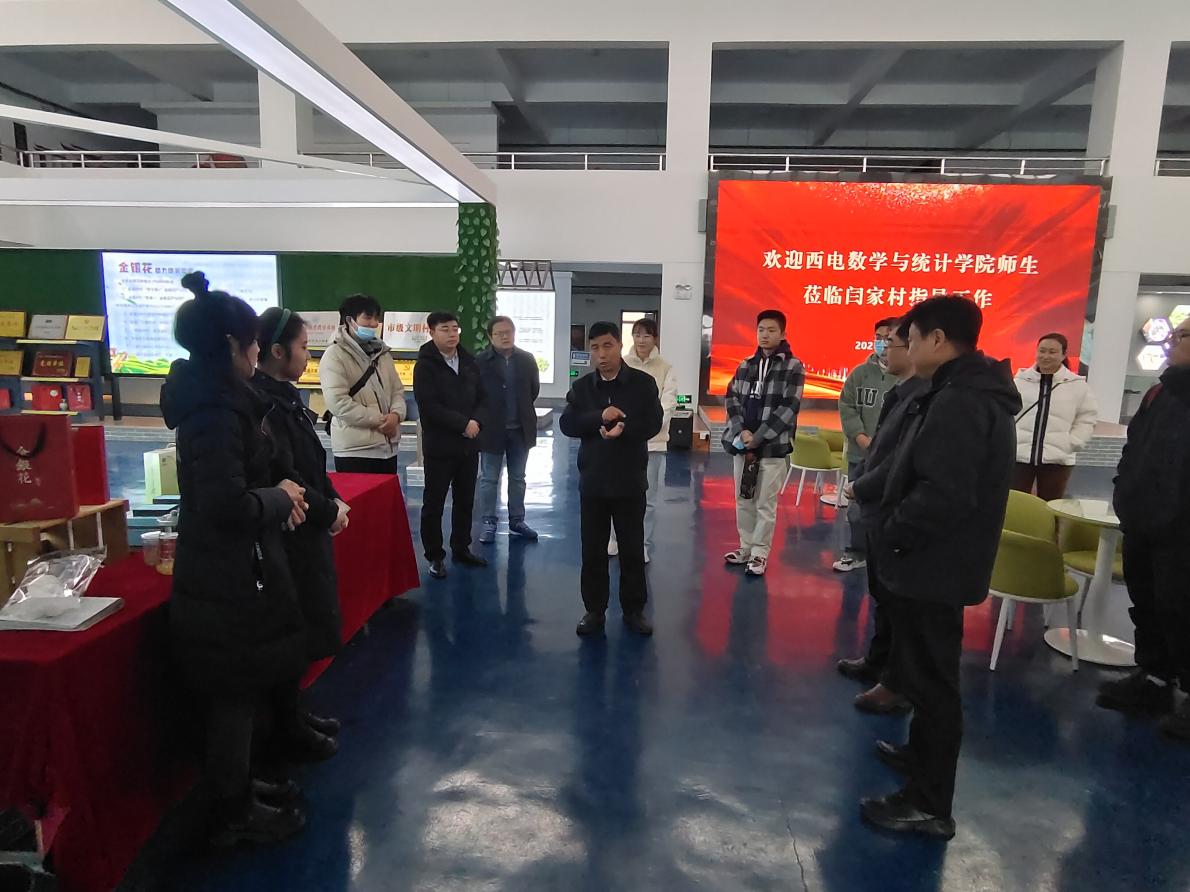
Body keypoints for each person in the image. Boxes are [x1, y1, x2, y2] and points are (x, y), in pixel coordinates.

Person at [860, 295, 1020, 840]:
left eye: (909, 338)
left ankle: (929, 805)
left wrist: (892, 534)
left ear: (936, 339)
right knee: (923, 674)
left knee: (934, 684)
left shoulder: (961, 402)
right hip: (933, 563)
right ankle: (920, 758)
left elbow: (943, 494)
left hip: (934, 565)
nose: (903, 349)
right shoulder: (957, 391)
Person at [161, 272, 310, 846]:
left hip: (236, 567)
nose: (257, 351)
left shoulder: (224, 401)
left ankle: (241, 784)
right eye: (251, 342)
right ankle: (231, 808)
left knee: (241, 690)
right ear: (231, 345)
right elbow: (225, 503)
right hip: (223, 576)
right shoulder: (214, 413)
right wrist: (279, 498)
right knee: (231, 693)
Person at [253, 307, 350, 743]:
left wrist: (332, 499)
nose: (308, 356)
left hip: (306, 525)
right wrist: (327, 510)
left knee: (308, 621)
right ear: (276, 351)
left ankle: (295, 712)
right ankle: (285, 726)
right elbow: (285, 473)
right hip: (288, 531)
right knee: (291, 628)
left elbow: (310, 462)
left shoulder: (287, 399)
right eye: (303, 347)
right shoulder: (264, 406)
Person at [1097, 318, 1190, 742]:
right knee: (1148, 603)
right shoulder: (1158, 393)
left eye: (1181, 336)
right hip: (1143, 521)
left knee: (1181, 609)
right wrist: (1125, 490)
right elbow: (1133, 447)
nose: (1172, 343)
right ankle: (1154, 679)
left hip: (1182, 530)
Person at [836, 321, 925, 716]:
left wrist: (862, 486)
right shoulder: (900, 391)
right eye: (882, 342)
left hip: (897, 511)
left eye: (892, 343)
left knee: (901, 604)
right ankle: (878, 663)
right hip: (880, 507)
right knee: (883, 597)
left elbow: (901, 459)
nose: (884, 349)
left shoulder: (926, 397)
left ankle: (897, 682)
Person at [560, 321, 662, 638]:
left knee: (631, 550)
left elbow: (654, 422)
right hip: (593, 481)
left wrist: (624, 429)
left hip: (629, 480)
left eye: (607, 346)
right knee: (593, 551)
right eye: (595, 348)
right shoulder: (582, 388)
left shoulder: (643, 384)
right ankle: (594, 610)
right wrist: (599, 418)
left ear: (619, 346)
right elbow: (567, 423)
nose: (601, 354)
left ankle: (633, 610)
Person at [721, 309, 805, 577]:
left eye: (771, 330)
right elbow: (731, 397)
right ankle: (745, 547)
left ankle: (760, 552)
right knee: (743, 498)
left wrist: (758, 437)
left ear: (782, 333)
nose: (765, 335)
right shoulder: (746, 364)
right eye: (761, 330)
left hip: (772, 448)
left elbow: (789, 407)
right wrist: (741, 431)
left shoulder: (793, 366)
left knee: (764, 503)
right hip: (743, 446)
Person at [413, 311, 489, 579]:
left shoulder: (468, 361)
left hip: (469, 445)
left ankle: (461, 548)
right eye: (445, 329)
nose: (452, 334)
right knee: (434, 503)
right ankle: (435, 555)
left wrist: (476, 421)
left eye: (455, 328)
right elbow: (429, 406)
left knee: (465, 501)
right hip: (440, 447)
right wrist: (462, 424)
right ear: (431, 332)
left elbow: (483, 397)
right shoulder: (425, 366)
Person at [609, 317, 677, 562]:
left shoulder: (666, 367)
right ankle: (615, 539)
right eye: (637, 335)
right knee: (617, 492)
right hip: (622, 441)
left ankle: (642, 544)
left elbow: (668, 402)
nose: (641, 340)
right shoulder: (621, 364)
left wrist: (648, 426)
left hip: (653, 442)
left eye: (647, 335)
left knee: (647, 498)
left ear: (654, 338)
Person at [834, 317, 898, 573]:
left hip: (892, 459)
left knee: (890, 507)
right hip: (860, 455)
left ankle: (886, 555)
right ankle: (856, 552)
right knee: (857, 507)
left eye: (888, 338)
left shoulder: (907, 377)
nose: (882, 343)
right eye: (878, 337)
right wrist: (861, 437)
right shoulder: (859, 373)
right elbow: (847, 406)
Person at [319, 294, 406, 474]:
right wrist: (382, 421)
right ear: (349, 320)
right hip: (355, 451)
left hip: (387, 448)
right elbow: (338, 403)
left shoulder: (382, 353)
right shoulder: (334, 355)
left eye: (376, 318)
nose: (374, 324)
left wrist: (396, 415)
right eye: (367, 317)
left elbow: (397, 390)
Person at [475, 315, 541, 544]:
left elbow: (533, 390)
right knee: (489, 478)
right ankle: (488, 521)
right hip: (491, 429)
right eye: (499, 333)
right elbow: (474, 394)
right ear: (490, 336)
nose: (505, 337)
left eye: (508, 332)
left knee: (518, 477)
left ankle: (517, 520)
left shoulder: (526, 359)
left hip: (520, 429)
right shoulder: (480, 362)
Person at [1012, 332, 1099, 501]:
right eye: (1042, 351)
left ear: (1064, 355)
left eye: (1052, 352)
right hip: (1019, 456)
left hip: (1058, 459)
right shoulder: (1020, 381)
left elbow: (1087, 418)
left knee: (1052, 505)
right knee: (1016, 504)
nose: (1046, 356)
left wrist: (1072, 443)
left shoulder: (1077, 385)